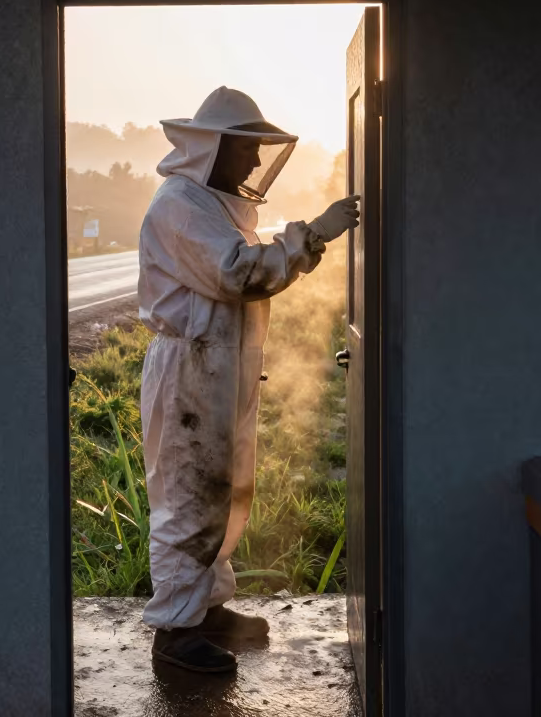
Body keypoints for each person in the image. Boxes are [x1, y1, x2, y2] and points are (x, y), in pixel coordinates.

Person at [138, 86, 360, 672]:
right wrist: (310, 235)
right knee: (189, 494)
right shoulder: (179, 206)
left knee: (224, 489)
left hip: (217, 365)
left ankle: (204, 608)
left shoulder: (208, 204)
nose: (256, 162)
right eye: (247, 150)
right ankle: (174, 633)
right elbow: (239, 273)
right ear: (214, 147)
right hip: (189, 369)